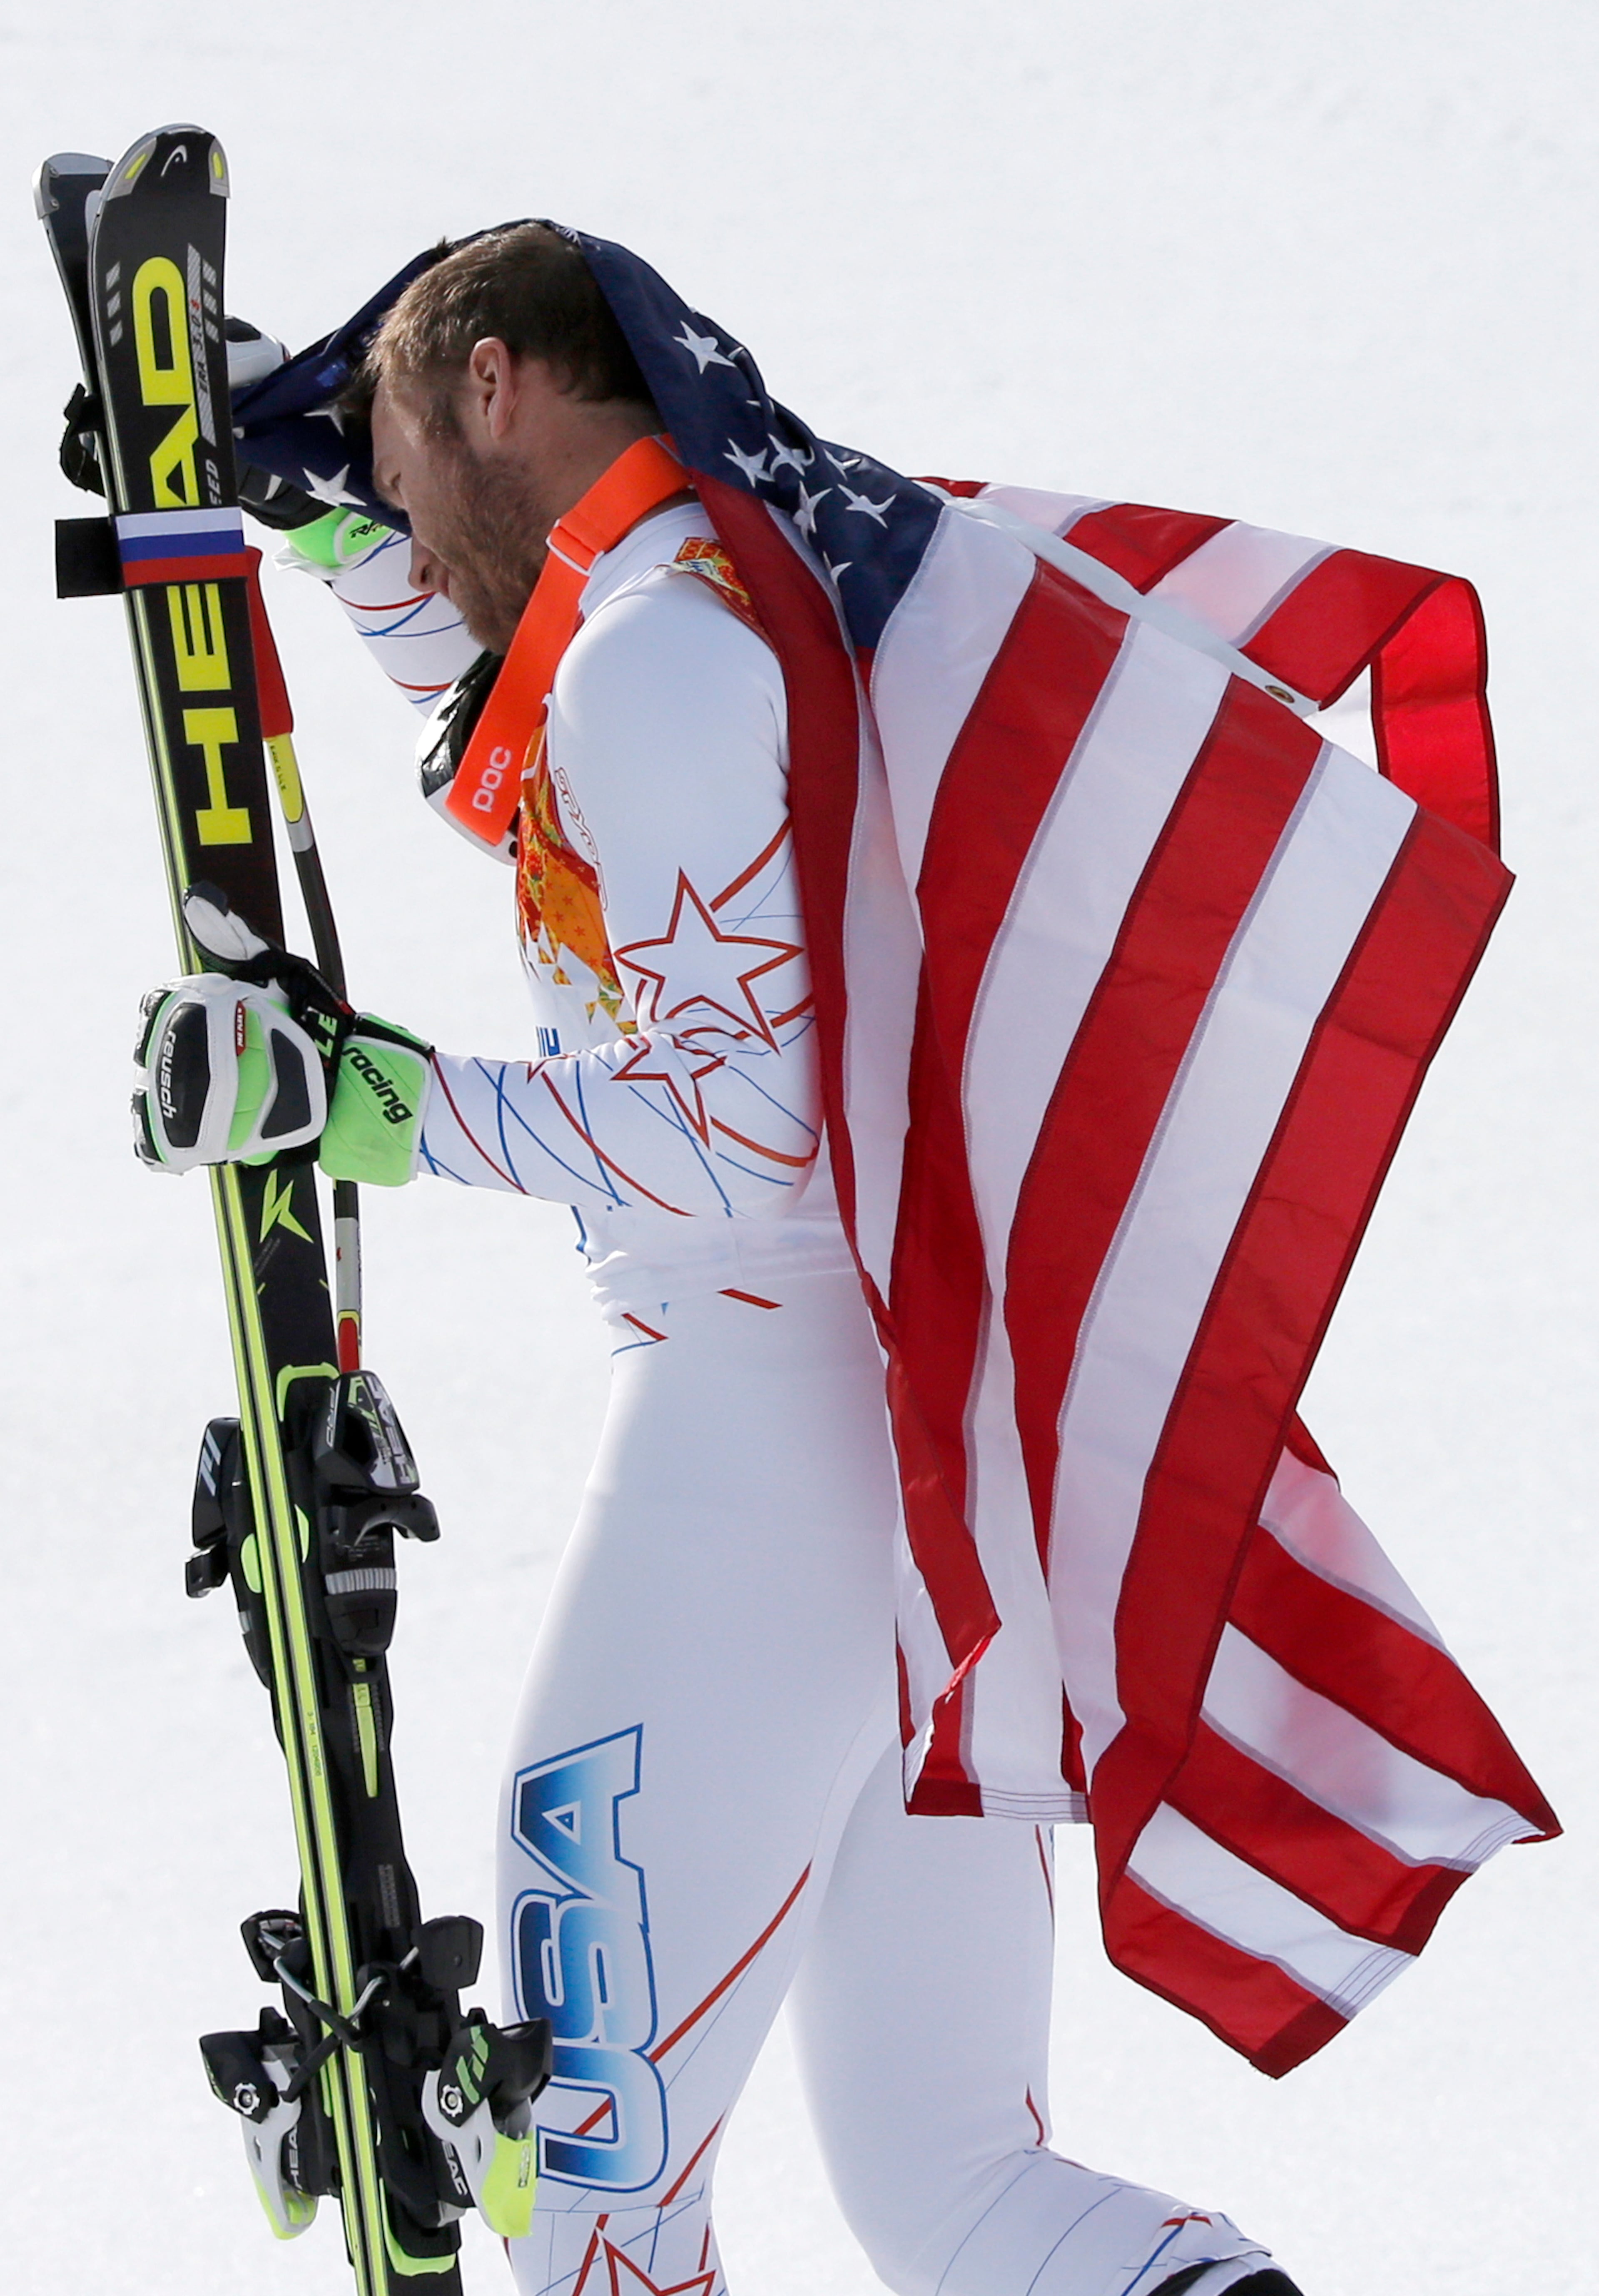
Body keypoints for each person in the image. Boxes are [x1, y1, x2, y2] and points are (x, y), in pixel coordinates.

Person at [141, 219, 1551, 2295]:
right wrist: (337, 540)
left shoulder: (662, 663)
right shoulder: (729, 613)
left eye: (393, 446)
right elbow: (522, 762)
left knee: (588, 2201)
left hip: (756, 1454)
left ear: (501, 383)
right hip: (903, 1504)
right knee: (962, 2187)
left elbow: (739, 1134)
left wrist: (379, 1103)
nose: (400, 511)